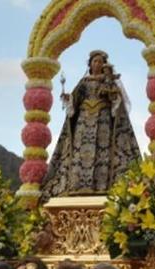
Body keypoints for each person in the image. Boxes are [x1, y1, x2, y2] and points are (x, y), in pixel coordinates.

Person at [41, 50, 141, 199]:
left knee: (103, 151)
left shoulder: (109, 81)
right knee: (80, 150)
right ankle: (77, 185)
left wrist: (112, 93)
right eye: (95, 61)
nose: (98, 64)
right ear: (90, 64)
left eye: (100, 61)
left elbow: (117, 100)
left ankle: (101, 186)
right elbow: (75, 99)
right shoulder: (84, 82)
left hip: (103, 120)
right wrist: (68, 98)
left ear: (104, 64)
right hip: (84, 119)